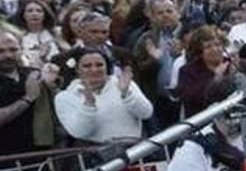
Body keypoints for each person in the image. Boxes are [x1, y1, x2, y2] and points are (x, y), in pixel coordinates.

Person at [55, 47, 153, 145]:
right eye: (87, 66)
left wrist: (126, 94)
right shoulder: (64, 97)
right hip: (95, 155)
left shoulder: (124, 83)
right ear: (77, 69)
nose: (94, 70)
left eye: (99, 65)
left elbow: (146, 113)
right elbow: (78, 132)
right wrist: (88, 105)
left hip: (135, 151)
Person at [0, 31, 59, 160]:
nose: (8, 55)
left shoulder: (33, 74)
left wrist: (52, 87)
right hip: (6, 160)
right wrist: (27, 98)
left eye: (13, 50)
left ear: (21, 49)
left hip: (41, 155)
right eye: (1, 51)